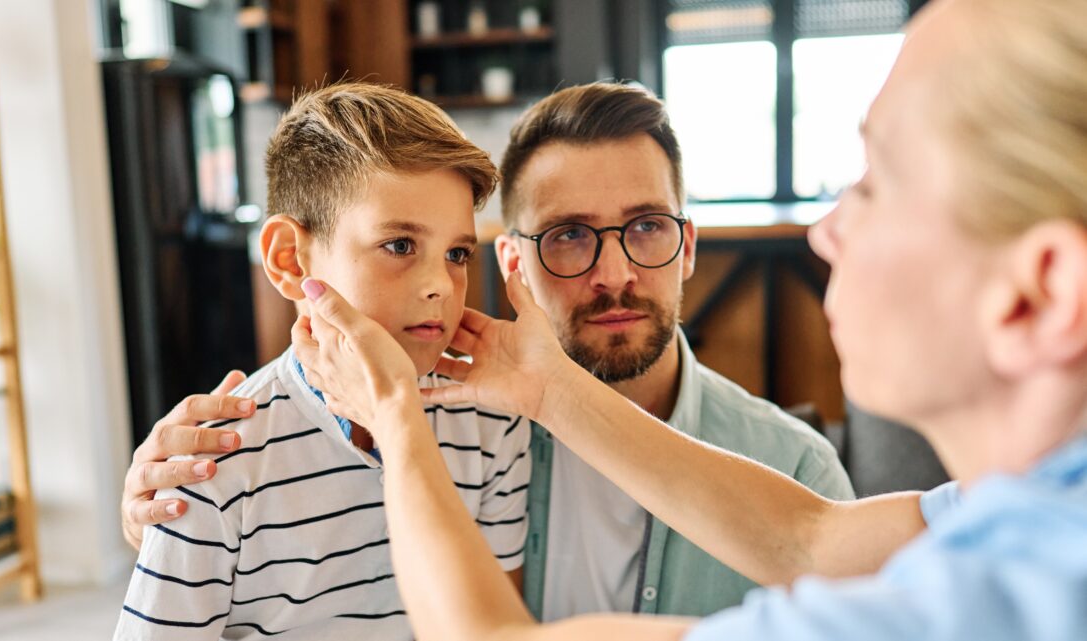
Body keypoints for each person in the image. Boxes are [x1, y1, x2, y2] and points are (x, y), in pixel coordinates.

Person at [288, 0, 1087, 639]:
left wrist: (395, 417)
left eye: (876, 182)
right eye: (569, 235)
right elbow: (807, 540)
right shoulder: (1020, 514)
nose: (825, 229)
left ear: (1041, 292)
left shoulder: (963, 607)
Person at [119, 82, 853, 620]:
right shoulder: (489, 424)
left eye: (648, 226)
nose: (616, 271)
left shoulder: (797, 471)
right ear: (513, 265)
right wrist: (166, 507)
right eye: (568, 234)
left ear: (688, 245)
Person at [113, 83, 531, 640]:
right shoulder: (210, 464)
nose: (440, 286)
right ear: (290, 260)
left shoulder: (493, 425)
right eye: (401, 245)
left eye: (456, 254)